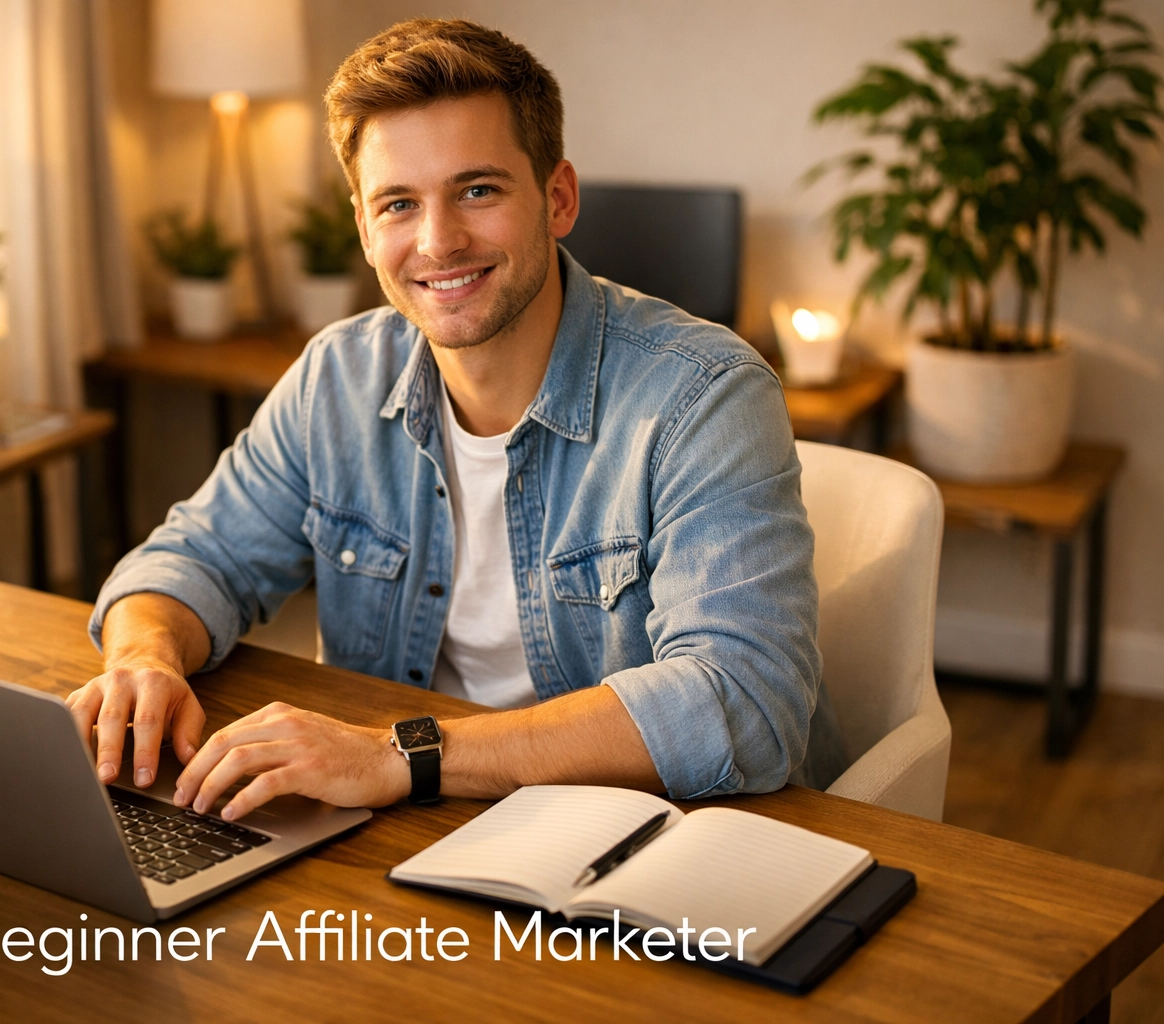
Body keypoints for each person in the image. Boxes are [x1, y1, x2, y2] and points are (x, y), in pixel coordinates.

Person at [68, 18, 842, 824]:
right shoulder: (337, 376)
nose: (438, 242)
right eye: (399, 204)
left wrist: (399, 754)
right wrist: (143, 658)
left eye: (478, 190)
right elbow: (199, 557)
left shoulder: (703, 395)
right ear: (366, 231)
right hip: (408, 823)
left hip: (641, 841)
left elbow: (745, 703)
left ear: (558, 198)